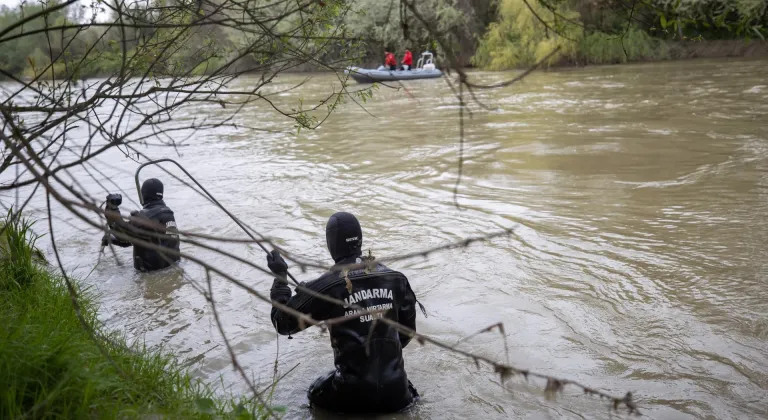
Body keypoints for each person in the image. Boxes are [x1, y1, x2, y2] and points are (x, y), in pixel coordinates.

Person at [266, 212, 420, 414]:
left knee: (313, 392)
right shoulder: (395, 279)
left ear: (332, 243)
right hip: (398, 393)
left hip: (352, 396)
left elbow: (282, 323)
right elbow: (407, 333)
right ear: (360, 240)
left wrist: (280, 279)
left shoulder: (325, 287)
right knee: (406, 391)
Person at [101, 178, 181, 272]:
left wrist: (112, 208)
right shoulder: (167, 213)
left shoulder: (145, 217)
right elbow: (144, 239)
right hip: (173, 267)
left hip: (151, 273)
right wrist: (112, 240)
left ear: (143, 194)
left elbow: (121, 234)